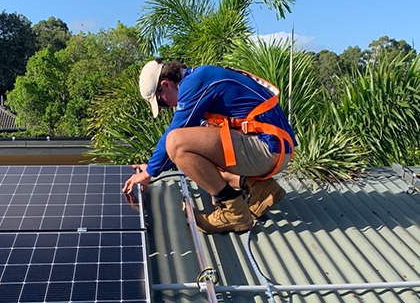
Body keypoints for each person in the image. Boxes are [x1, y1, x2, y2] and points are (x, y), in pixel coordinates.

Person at [122, 60, 297, 233]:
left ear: (166, 84)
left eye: (161, 103)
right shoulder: (200, 76)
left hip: (268, 151)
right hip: (274, 147)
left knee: (176, 142)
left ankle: (233, 212)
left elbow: (175, 136)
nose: (167, 107)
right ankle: (261, 189)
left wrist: (149, 172)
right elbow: (196, 150)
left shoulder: (194, 84)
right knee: (199, 156)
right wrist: (152, 168)